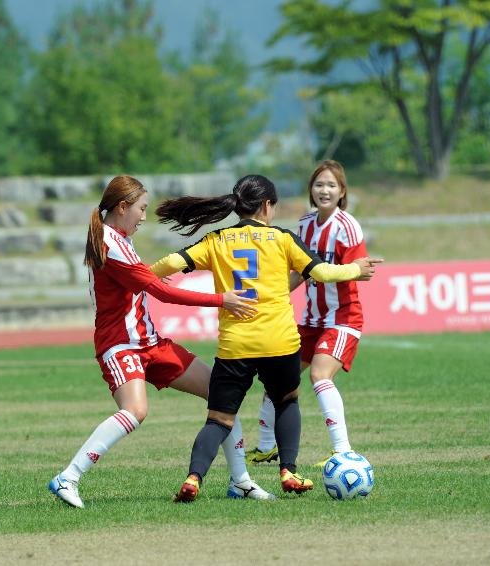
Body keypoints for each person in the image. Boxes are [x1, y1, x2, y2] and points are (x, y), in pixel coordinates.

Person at [150, 174, 381, 502]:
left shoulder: (216, 240)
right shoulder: (283, 239)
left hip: (235, 346)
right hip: (279, 342)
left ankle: (193, 477)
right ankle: (288, 471)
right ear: (267, 205)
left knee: (218, 419)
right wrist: (357, 269)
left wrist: (134, 274)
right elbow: (323, 273)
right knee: (286, 400)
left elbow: (170, 264)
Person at [48, 175, 274, 509]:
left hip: (150, 343)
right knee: (135, 411)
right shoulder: (111, 242)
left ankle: (240, 482)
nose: (143, 216)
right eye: (140, 209)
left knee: (221, 394)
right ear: (122, 207)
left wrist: (148, 274)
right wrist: (221, 299)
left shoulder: (118, 238)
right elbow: (160, 292)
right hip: (121, 344)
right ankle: (68, 477)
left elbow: (140, 279)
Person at [249, 160, 373, 468]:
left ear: (342, 191)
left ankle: (343, 451)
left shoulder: (347, 226)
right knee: (278, 378)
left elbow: (361, 271)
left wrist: (330, 272)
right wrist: (272, 294)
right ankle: (266, 448)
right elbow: (299, 273)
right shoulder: (304, 225)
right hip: (311, 320)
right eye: (319, 185)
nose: (325, 190)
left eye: (332, 185)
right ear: (311, 190)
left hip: (342, 318)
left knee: (319, 374)